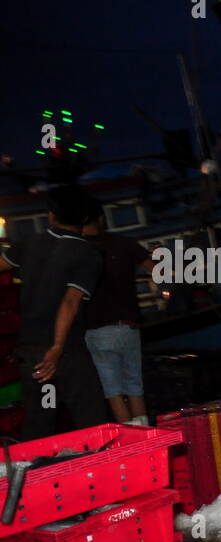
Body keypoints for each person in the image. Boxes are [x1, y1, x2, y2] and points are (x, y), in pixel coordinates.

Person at [0, 185, 108, 439]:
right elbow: (70, 302)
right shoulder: (87, 253)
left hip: (32, 351)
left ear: (51, 215)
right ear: (84, 219)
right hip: (66, 351)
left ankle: (34, 472)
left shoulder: (28, 244)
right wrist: (57, 348)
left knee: (41, 418)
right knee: (90, 416)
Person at [82, 202, 153, 425]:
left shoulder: (76, 250)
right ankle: (145, 432)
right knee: (134, 385)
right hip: (126, 326)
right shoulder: (124, 244)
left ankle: (130, 439)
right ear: (101, 219)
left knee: (112, 390)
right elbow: (157, 269)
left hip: (95, 330)